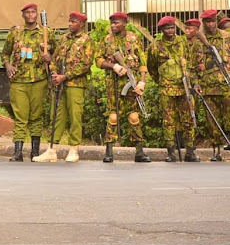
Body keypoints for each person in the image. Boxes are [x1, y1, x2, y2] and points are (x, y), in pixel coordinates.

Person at [33, 12, 93, 163]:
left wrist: (65, 76)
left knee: (75, 116)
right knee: (57, 115)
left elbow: (85, 65)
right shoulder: (64, 39)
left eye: (73, 22)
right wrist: (54, 73)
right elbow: (55, 59)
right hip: (60, 83)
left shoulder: (87, 40)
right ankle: (52, 149)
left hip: (75, 84)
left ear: (81, 24)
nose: (70, 24)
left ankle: (74, 149)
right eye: (69, 21)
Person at [95, 12, 151, 163]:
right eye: (112, 23)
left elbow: (142, 61)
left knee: (134, 116)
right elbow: (98, 60)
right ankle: (109, 151)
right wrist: (113, 66)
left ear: (124, 23)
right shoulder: (107, 40)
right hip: (113, 84)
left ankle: (139, 152)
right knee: (113, 117)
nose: (113, 26)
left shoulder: (133, 39)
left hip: (132, 84)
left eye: (117, 23)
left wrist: (142, 82)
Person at [1, 3, 54, 162]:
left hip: (39, 79)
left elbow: (57, 53)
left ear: (37, 14)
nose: (31, 15)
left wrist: (49, 57)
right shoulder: (15, 33)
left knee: (36, 116)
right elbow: (5, 53)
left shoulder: (46, 33)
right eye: (28, 12)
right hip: (19, 80)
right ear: (23, 15)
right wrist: (8, 65)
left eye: (33, 12)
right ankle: (18, 152)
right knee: (20, 116)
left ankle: (35, 151)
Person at [147, 16, 200, 162]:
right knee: (168, 121)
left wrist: (194, 82)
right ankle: (171, 152)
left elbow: (192, 64)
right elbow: (151, 67)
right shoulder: (155, 46)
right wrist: (161, 82)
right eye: (167, 28)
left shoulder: (184, 42)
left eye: (172, 28)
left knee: (189, 119)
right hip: (166, 89)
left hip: (184, 88)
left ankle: (190, 151)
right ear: (162, 30)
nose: (170, 31)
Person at [197, 9, 230, 161]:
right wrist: (196, 83)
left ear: (217, 21)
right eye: (207, 22)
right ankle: (216, 151)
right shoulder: (199, 42)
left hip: (226, 86)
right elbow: (192, 65)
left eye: (212, 21)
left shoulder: (226, 38)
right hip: (208, 87)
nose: (210, 25)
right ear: (203, 23)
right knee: (212, 121)